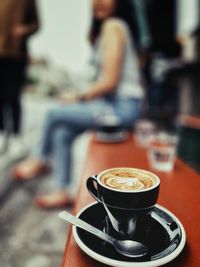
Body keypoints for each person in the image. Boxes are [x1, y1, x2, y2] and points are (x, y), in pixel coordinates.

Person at [13, 0, 144, 209]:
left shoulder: (114, 26)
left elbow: (110, 82)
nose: (98, 2)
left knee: (54, 113)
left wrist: (78, 97)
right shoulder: (110, 29)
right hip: (111, 106)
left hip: (121, 109)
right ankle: (62, 190)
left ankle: (40, 159)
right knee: (62, 132)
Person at [0, 0, 39, 154]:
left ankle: (16, 135)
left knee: (13, 95)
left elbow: (36, 24)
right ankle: (2, 133)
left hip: (17, 55)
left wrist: (24, 30)